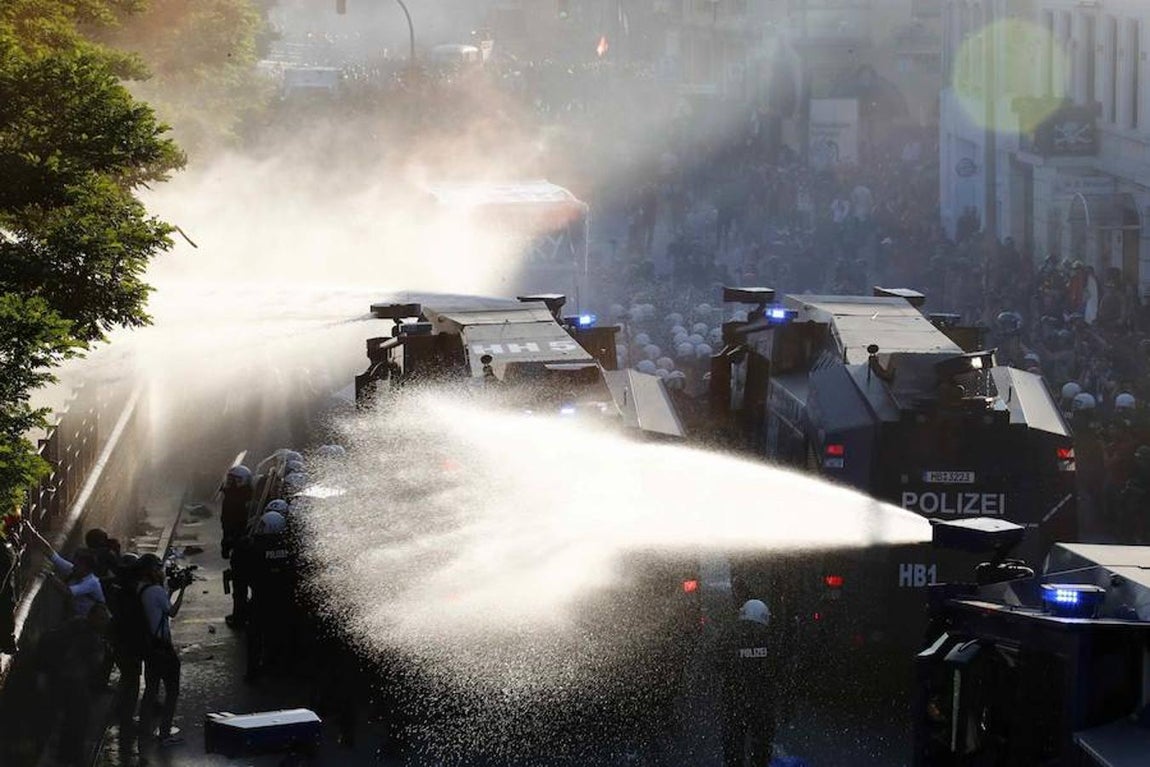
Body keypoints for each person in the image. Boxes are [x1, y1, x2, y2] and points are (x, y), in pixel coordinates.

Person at [718, 598, 778, 767]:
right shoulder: (769, 639)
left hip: (734, 702)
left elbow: (717, 662)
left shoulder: (730, 636)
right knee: (761, 747)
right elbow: (778, 668)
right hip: (762, 704)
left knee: (733, 748)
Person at [136, 554, 184, 746]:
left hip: (150, 647)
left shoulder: (142, 589)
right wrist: (183, 591)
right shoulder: (155, 590)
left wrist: (171, 590)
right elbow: (171, 612)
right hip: (163, 648)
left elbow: (158, 608)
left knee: (151, 690)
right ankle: (164, 734)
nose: (161, 572)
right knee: (172, 690)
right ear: (151, 571)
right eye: (158, 568)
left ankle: (144, 731)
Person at [242, 510, 295, 682]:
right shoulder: (290, 546)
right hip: (282, 600)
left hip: (261, 599)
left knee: (255, 637)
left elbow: (246, 572)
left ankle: (253, 672)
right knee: (280, 636)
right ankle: (279, 669)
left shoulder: (255, 547)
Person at [27, 525, 106, 618]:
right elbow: (51, 553)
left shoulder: (92, 582)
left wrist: (49, 575)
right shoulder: (74, 570)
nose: (74, 566)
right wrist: (32, 532)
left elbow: (68, 592)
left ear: (86, 568)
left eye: (77, 564)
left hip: (91, 623)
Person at [220, 465, 254, 628]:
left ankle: (239, 617)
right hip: (242, 545)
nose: (229, 483)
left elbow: (228, 525)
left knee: (239, 585)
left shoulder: (234, 499)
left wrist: (226, 544)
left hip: (240, 547)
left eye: (233, 480)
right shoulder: (247, 496)